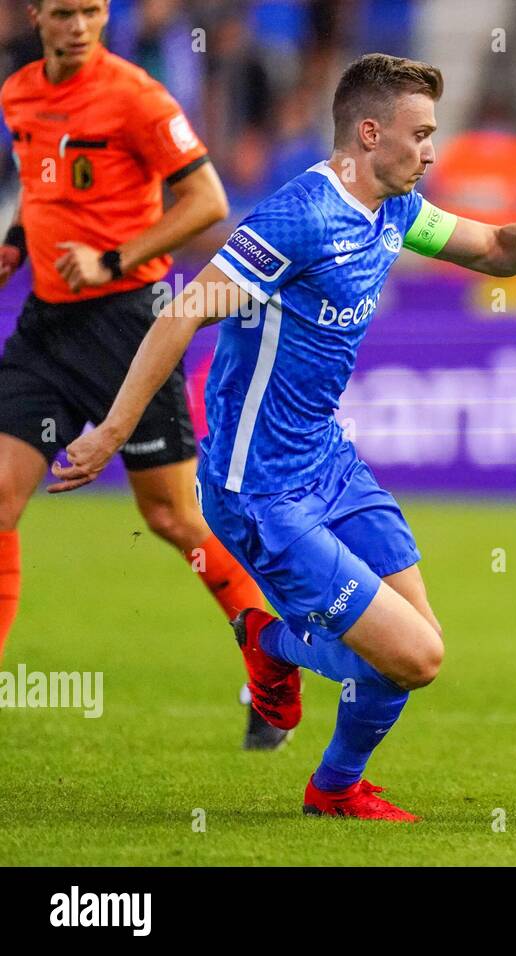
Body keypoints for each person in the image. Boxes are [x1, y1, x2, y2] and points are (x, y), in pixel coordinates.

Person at [50, 53, 516, 821]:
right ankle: (272, 644)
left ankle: (334, 787)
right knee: (416, 656)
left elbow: (499, 251)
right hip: (260, 490)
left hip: (329, 463)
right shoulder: (300, 217)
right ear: (370, 132)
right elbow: (183, 311)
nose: (431, 151)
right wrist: (114, 429)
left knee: (414, 648)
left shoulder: (395, 207)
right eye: (420, 135)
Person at [0, 0, 278, 747]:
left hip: (131, 324)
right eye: (64, 12)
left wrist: (112, 260)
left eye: (93, 9)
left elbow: (207, 201)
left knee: (172, 519)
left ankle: (268, 663)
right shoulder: (18, 91)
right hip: (49, 324)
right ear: (37, 14)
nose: (81, 24)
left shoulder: (137, 97)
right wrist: (18, 241)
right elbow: (43, 178)